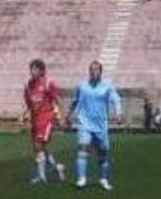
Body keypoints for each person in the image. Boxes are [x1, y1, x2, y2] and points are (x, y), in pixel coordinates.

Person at [68, 61, 122, 190]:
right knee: (82, 149)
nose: (93, 72)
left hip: (100, 125)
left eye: (96, 69)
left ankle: (103, 179)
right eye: (91, 69)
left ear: (101, 72)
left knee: (102, 153)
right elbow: (75, 101)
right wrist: (68, 115)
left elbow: (116, 99)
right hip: (84, 123)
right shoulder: (82, 86)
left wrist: (118, 113)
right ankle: (81, 179)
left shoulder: (107, 85)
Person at [22, 59, 65, 184]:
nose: (32, 71)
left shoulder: (48, 83)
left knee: (38, 144)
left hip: (47, 119)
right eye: (31, 69)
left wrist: (61, 117)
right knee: (39, 148)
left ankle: (41, 176)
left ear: (41, 71)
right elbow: (29, 103)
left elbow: (58, 100)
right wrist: (25, 114)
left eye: (35, 69)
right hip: (35, 120)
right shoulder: (28, 85)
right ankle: (57, 168)